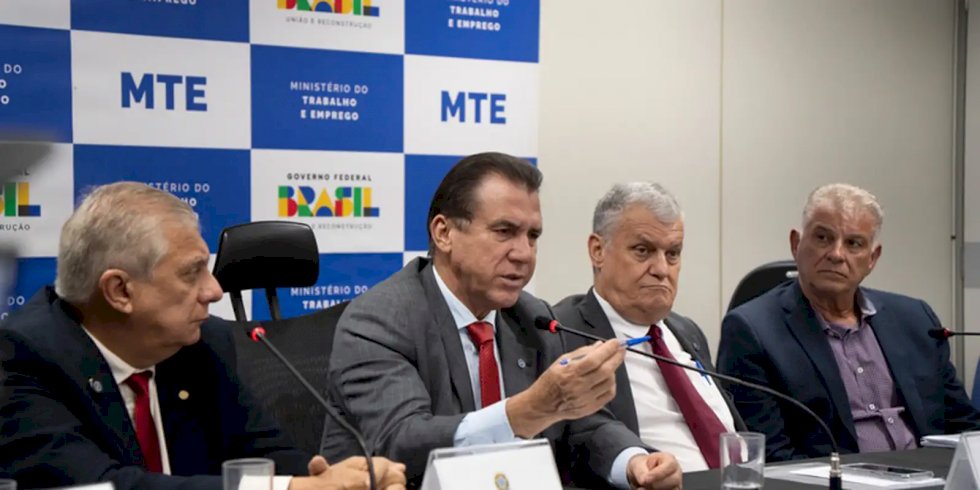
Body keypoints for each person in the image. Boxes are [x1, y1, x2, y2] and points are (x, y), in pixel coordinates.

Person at [0, 182, 406, 489]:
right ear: (120, 291)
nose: (214, 290)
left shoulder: (201, 343)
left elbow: (263, 453)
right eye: (192, 272)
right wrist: (294, 489)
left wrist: (339, 479)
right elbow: (103, 485)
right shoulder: (20, 359)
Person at [321, 153, 682, 489]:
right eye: (504, 232)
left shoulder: (531, 317)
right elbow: (401, 442)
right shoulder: (380, 320)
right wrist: (527, 410)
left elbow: (581, 424)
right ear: (444, 233)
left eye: (532, 236)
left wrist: (634, 462)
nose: (523, 254)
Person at [717, 183, 980, 461]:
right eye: (823, 238)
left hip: (933, 475)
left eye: (854, 243)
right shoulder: (752, 331)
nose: (836, 254)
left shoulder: (915, 319)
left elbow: (965, 428)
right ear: (796, 244)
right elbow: (769, 454)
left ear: (872, 258)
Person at [554, 182, 745, 473]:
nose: (662, 269)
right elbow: (584, 439)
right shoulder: (564, 332)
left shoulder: (687, 331)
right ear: (597, 251)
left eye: (673, 253)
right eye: (643, 251)